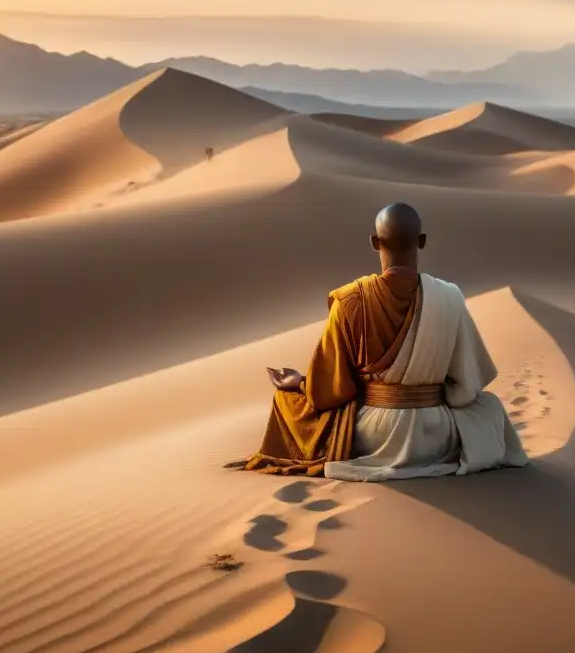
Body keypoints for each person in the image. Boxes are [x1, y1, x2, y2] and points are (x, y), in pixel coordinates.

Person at [226, 202, 528, 481]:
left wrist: (300, 383)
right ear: (421, 241)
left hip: (372, 435)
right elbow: (465, 389)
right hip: (437, 434)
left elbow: (326, 394)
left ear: (374, 242)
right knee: (489, 407)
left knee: (286, 400)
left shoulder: (350, 301)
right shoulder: (450, 297)